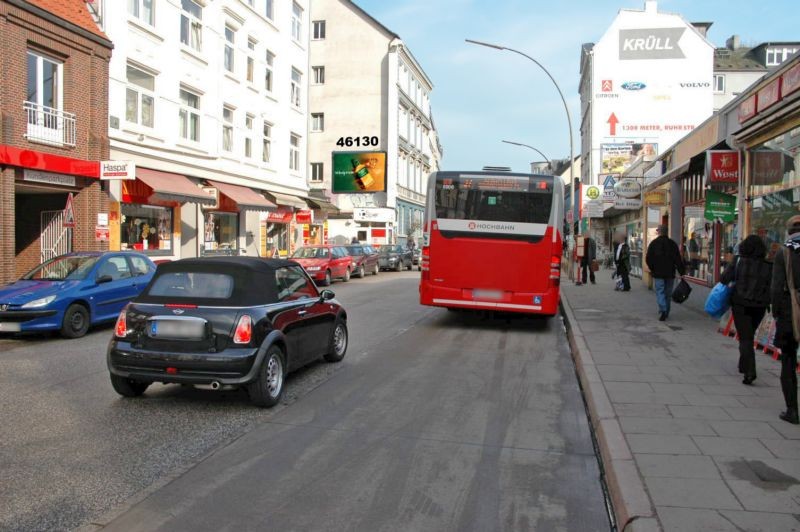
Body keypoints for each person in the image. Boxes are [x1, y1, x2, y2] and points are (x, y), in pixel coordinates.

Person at [720, 235, 771, 385]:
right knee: (748, 335)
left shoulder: (738, 261)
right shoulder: (768, 264)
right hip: (760, 305)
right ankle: (744, 365)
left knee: (745, 337)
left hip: (740, 303)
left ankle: (750, 371)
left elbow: (724, 279)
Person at [771, 216, 800, 425]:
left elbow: (776, 286)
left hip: (791, 310)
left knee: (788, 359)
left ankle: (792, 410)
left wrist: (776, 312)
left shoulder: (784, 252)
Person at [645, 225, 686, 321]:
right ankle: (666, 311)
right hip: (670, 273)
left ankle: (662, 309)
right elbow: (678, 259)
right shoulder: (672, 244)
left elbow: (648, 258)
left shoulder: (654, 244)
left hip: (658, 273)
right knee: (668, 293)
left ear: (659, 232)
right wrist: (681, 271)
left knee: (660, 291)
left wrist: (652, 269)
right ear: (667, 232)